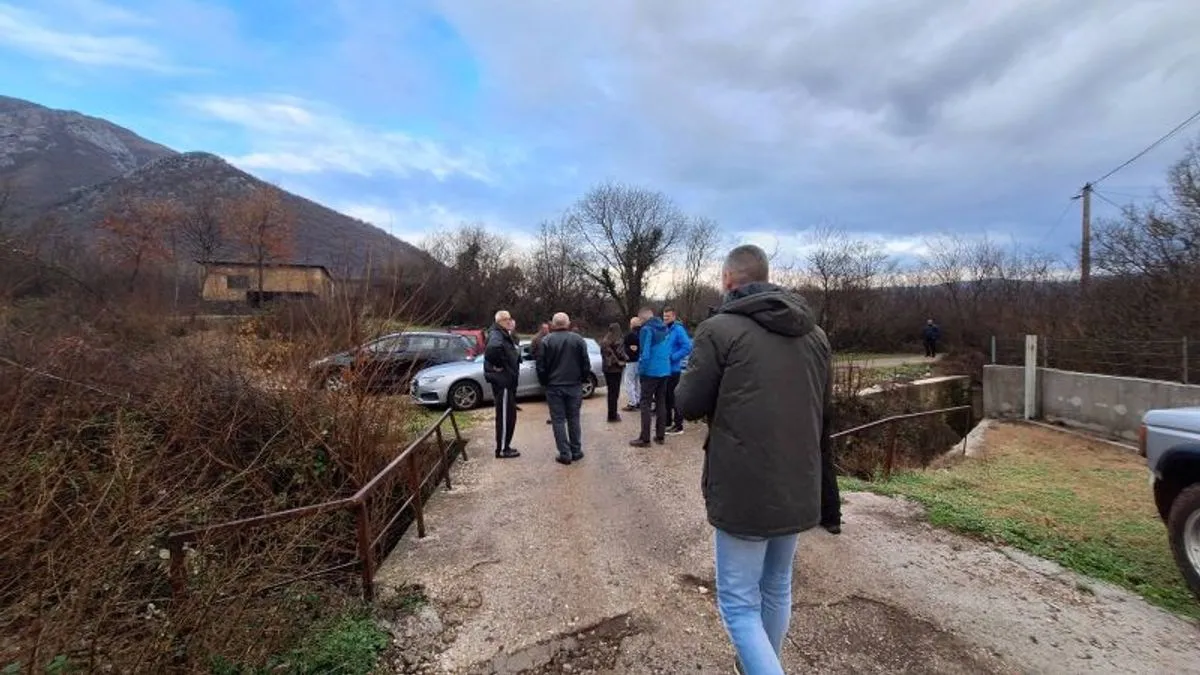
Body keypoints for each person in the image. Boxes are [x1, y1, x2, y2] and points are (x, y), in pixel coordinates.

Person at [676, 244, 832, 675]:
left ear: (728, 281)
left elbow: (687, 403)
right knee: (776, 587)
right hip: (800, 479)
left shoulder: (717, 329)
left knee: (739, 603)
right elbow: (823, 410)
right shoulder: (815, 335)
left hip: (745, 485)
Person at [536, 312, 592, 465]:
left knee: (558, 420)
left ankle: (565, 453)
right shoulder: (578, 340)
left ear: (553, 325)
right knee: (574, 418)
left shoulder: (546, 341)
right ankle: (576, 450)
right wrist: (581, 379)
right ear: (568, 324)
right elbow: (585, 364)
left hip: (554, 386)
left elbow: (540, 366)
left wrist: (545, 382)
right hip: (574, 385)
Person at [630, 306, 671, 448]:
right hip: (665, 370)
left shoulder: (646, 330)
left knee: (645, 403)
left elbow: (645, 353)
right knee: (661, 402)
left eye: (640, 319)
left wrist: (640, 371)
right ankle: (660, 436)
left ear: (642, 318)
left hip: (650, 372)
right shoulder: (664, 328)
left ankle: (645, 438)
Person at [484, 310, 521, 459]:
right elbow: (492, 349)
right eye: (508, 319)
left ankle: (506, 446)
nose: (510, 321)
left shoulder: (503, 333)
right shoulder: (497, 334)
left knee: (510, 415)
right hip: (503, 381)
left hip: (507, 380)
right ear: (501, 321)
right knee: (505, 416)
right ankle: (502, 449)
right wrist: (501, 365)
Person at [662, 307, 693, 435]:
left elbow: (687, 347)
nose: (665, 318)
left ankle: (678, 425)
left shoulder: (678, 330)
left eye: (668, 316)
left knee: (674, 398)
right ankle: (667, 422)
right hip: (664, 370)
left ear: (674, 317)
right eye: (664, 316)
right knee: (666, 398)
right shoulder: (666, 329)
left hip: (674, 370)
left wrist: (673, 357)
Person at [599, 322, 627, 422]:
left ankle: (611, 414)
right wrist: (623, 360)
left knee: (610, 392)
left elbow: (606, 357)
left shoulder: (604, 341)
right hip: (616, 370)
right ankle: (613, 415)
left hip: (607, 370)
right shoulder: (617, 341)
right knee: (615, 393)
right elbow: (621, 354)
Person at [622, 317, 642, 411]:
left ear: (632, 324)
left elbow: (628, 349)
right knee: (637, 382)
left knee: (628, 382)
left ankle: (632, 402)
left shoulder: (630, 335)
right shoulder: (643, 333)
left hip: (631, 362)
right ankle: (638, 401)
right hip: (640, 361)